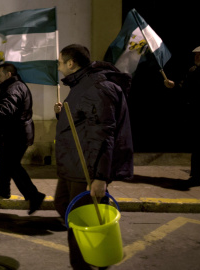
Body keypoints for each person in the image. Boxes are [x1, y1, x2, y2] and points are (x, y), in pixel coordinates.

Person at [53, 44, 133, 269]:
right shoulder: (82, 85)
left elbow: (102, 134)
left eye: (60, 62)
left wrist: (100, 177)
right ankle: (94, 256)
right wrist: (62, 116)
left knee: (81, 222)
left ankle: (89, 262)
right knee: (62, 204)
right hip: (75, 164)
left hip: (86, 168)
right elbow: (81, 124)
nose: (59, 67)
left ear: (71, 63)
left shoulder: (96, 88)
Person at [0, 63, 46, 215]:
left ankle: (34, 195)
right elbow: (8, 104)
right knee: (3, 160)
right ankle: (3, 189)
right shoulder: (13, 86)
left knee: (12, 165)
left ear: (8, 74)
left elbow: (8, 107)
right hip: (12, 133)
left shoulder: (14, 87)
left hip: (17, 134)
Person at [164, 45, 200, 188]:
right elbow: (185, 87)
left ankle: (196, 177)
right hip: (195, 114)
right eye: (195, 55)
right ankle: (196, 176)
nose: (196, 57)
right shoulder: (194, 70)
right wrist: (173, 85)